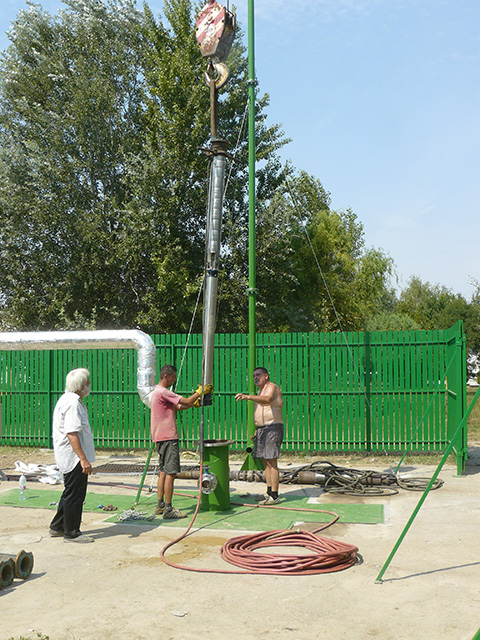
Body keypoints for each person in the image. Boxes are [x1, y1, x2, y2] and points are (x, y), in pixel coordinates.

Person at [151, 364, 212, 519]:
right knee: (171, 473)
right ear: (166, 376)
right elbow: (186, 401)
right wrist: (199, 392)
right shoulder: (164, 391)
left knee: (163, 471)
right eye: (173, 377)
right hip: (168, 436)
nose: (174, 380)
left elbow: (178, 407)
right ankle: (169, 509)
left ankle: (160, 505)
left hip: (159, 436)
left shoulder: (157, 392)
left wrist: (195, 403)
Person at [49, 368, 95, 543]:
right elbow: (72, 433)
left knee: (70, 491)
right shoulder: (72, 403)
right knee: (75, 494)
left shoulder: (69, 399)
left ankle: (58, 526)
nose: (89, 385)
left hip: (70, 454)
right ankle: (71, 532)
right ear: (81, 385)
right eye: (87, 382)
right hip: (73, 456)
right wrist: (83, 459)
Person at [235, 367, 284, 505]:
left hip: (273, 427)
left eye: (258, 375)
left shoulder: (272, 387)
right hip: (262, 429)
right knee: (265, 461)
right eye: (254, 376)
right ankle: (269, 491)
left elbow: (268, 400)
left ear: (266, 376)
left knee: (271, 461)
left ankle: (275, 496)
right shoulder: (260, 392)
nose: (255, 378)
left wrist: (247, 396)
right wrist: (258, 428)